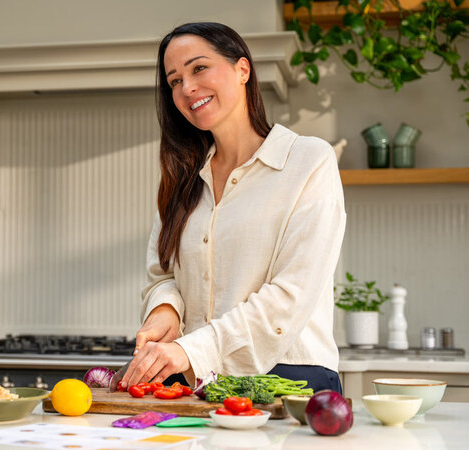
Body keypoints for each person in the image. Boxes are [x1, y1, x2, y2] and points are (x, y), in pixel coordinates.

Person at [119, 22, 346, 394]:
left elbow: (291, 294)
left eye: (198, 68)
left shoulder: (307, 161)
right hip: (197, 382)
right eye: (174, 81)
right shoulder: (183, 179)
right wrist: (166, 310)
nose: (187, 88)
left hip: (290, 380)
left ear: (243, 70)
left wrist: (190, 350)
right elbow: (163, 275)